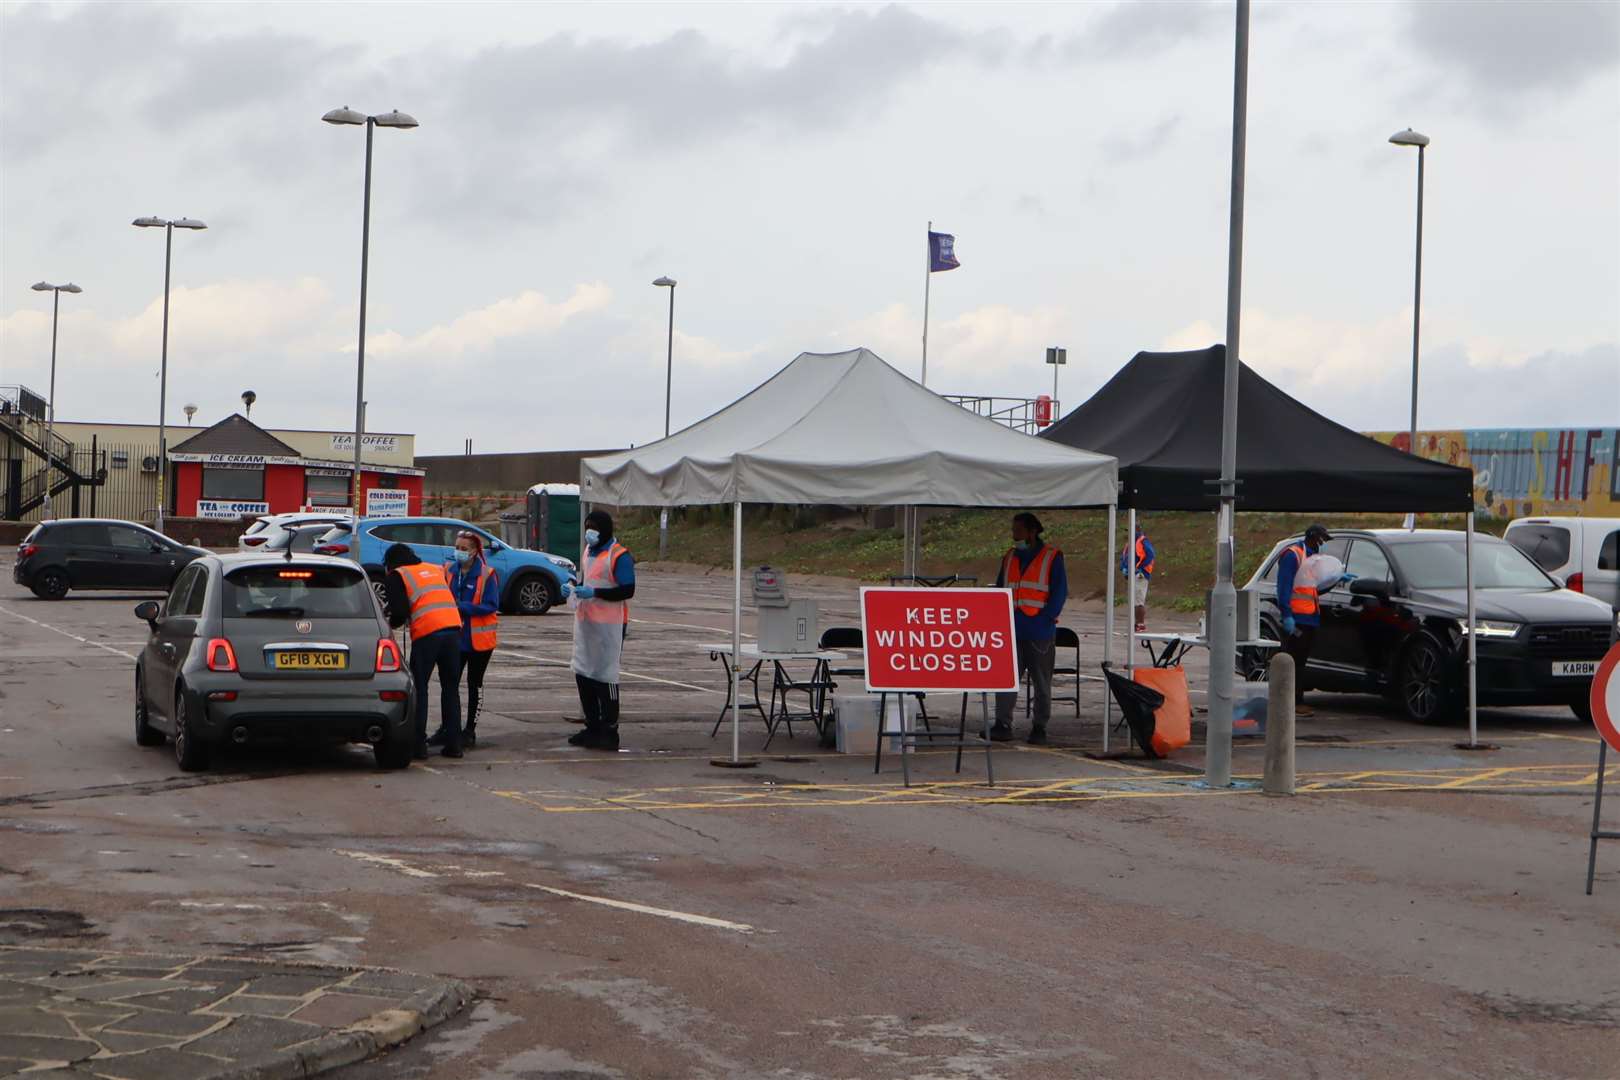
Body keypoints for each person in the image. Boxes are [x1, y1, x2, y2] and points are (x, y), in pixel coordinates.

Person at [561, 510, 636, 750]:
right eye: (587, 527)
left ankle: (609, 730)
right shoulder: (588, 552)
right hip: (586, 622)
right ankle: (592, 726)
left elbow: (627, 590)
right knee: (583, 673)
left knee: (606, 676)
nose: (589, 532)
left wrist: (595, 593)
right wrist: (574, 587)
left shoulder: (619, 555)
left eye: (594, 527)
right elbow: (588, 582)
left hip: (610, 625)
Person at [383, 542, 465, 759]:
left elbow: (399, 612)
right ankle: (454, 744)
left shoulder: (397, 575)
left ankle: (418, 745)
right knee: (450, 688)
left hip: (428, 633)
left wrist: (388, 625)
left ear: (390, 563)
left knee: (419, 689)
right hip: (453, 630)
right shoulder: (434, 569)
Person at [992, 511, 1067, 745]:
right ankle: (1002, 724)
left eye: (1018, 531)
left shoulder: (1052, 557)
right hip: (1013, 628)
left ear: (1032, 532)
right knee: (1007, 680)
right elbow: (999, 589)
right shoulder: (1010, 557)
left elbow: (1059, 592)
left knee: (1042, 682)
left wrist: (1046, 618)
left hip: (1039, 631)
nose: (1014, 536)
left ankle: (1039, 727)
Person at [429, 530, 499, 750]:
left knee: (474, 684)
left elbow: (491, 605)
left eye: (463, 549)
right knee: (450, 685)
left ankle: (469, 730)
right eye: (456, 548)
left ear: (475, 551)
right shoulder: (449, 570)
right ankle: (448, 728)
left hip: (479, 641)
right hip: (453, 639)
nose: (458, 552)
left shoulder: (487, 574)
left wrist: (464, 607)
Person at [1275, 523, 1331, 717]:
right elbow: (1284, 587)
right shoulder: (1293, 555)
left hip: (1309, 618)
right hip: (1296, 618)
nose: (1322, 544)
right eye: (1321, 539)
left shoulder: (1311, 558)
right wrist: (1287, 615)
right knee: (1292, 662)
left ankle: (1296, 701)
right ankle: (1290, 702)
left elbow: (1311, 588)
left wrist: (1336, 580)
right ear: (1311, 537)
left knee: (1301, 662)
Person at [1120, 524, 1156, 632]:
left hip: (1140, 574)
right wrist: (1124, 569)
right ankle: (1136, 623)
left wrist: (1139, 568)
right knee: (1134, 599)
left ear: (1137, 530)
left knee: (1138, 600)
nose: (1128, 533)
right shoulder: (1130, 543)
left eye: (1130, 530)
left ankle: (1140, 624)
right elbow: (1125, 558)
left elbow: (1150, 555)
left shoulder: (1142, 540)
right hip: (1132, 574)